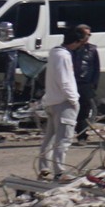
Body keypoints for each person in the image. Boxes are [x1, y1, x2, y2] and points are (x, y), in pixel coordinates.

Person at [37, 33, 80, 180]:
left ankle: (44, 168)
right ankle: (59, 172)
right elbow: (65, 81)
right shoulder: (63, 56)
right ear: (75, 42)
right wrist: (73, 100)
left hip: (51, 101)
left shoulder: (54, 54)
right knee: (63, 140)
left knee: (50, 138)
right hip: (63, 103)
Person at [65, 24, 101, 139]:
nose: (87, 37)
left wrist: (93, 85)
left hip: (85, 84)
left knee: (84, 111)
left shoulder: (92, 49)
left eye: (89, 34)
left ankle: (82, 135)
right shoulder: (69, 49)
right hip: (71, 83)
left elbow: (96, 68)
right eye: (85, 34)